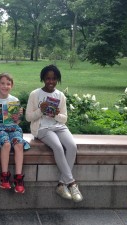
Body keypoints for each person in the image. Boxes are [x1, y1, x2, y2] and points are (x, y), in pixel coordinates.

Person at [25, 64, 83, 202]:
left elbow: (64, 119)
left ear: (57, 79)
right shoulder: (35, 94)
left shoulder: (60, 95)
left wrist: (56, 115)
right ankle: (72, 183)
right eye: (47, 78)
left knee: (72, 146)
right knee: (57, 147)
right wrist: (40, 110)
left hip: (58, 126)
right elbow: (28, 117)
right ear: (43, 79)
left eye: (54, 79)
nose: (50, 81)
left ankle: (62, 184)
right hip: (42, 128)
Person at [0, 73, 30, 194]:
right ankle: (4, 176)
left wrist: (18, 117)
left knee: (18, 144)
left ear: (11, 86)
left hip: (13, 127)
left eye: (8, 84)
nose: (5, 86)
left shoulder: (14, 100)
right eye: (2, 83)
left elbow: (17, 122)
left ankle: (18, 178)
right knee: (6, 144)